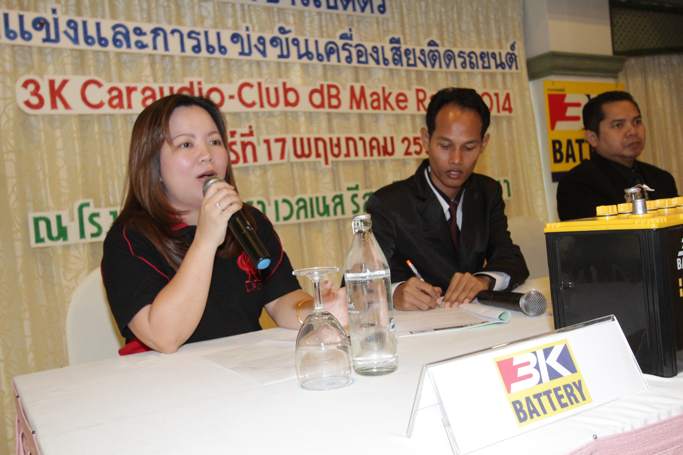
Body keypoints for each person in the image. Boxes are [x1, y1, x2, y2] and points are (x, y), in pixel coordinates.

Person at [102, 94, 345, 354]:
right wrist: (206, 241)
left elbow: (282, 299)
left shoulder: (248, 221)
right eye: (186, 144)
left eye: (215, 141)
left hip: (241, 365)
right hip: (162, 374)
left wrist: (317, 311)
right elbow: (164, 338)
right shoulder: (128, 239)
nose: (206, 155)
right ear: (153, 164)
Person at [365, 87, 528, 311]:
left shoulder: (487, 192)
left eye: (469, 147)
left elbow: (511, 258)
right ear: (426, 140)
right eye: (445, 146)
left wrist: (484, 280)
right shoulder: (389, 204)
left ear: (484, 144)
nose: (456, 159)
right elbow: (358, 284)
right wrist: (394, 292)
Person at [557, 91, 678, 221]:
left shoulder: (662, 179)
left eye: (637, 122)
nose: (633, 131)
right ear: (592, 138)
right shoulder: (577, 185)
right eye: (618, 125)